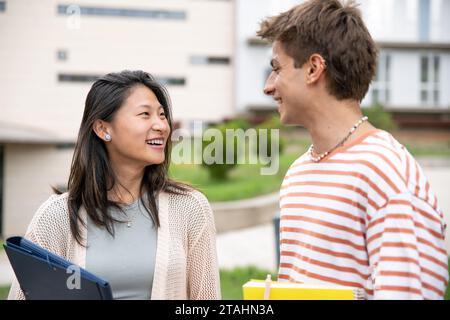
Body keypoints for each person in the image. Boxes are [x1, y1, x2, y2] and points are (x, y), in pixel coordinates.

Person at [258, 0, 448, 299]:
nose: (268, 87)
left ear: (313, 69)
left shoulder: (387, 174)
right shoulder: (298, 172)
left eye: (277, 69)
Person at [8, 70, 221, 300]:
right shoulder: (56, 217)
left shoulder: (189, 208)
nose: (161, 125)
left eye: (161, 114)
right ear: (103, 129)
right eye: (145, 114)